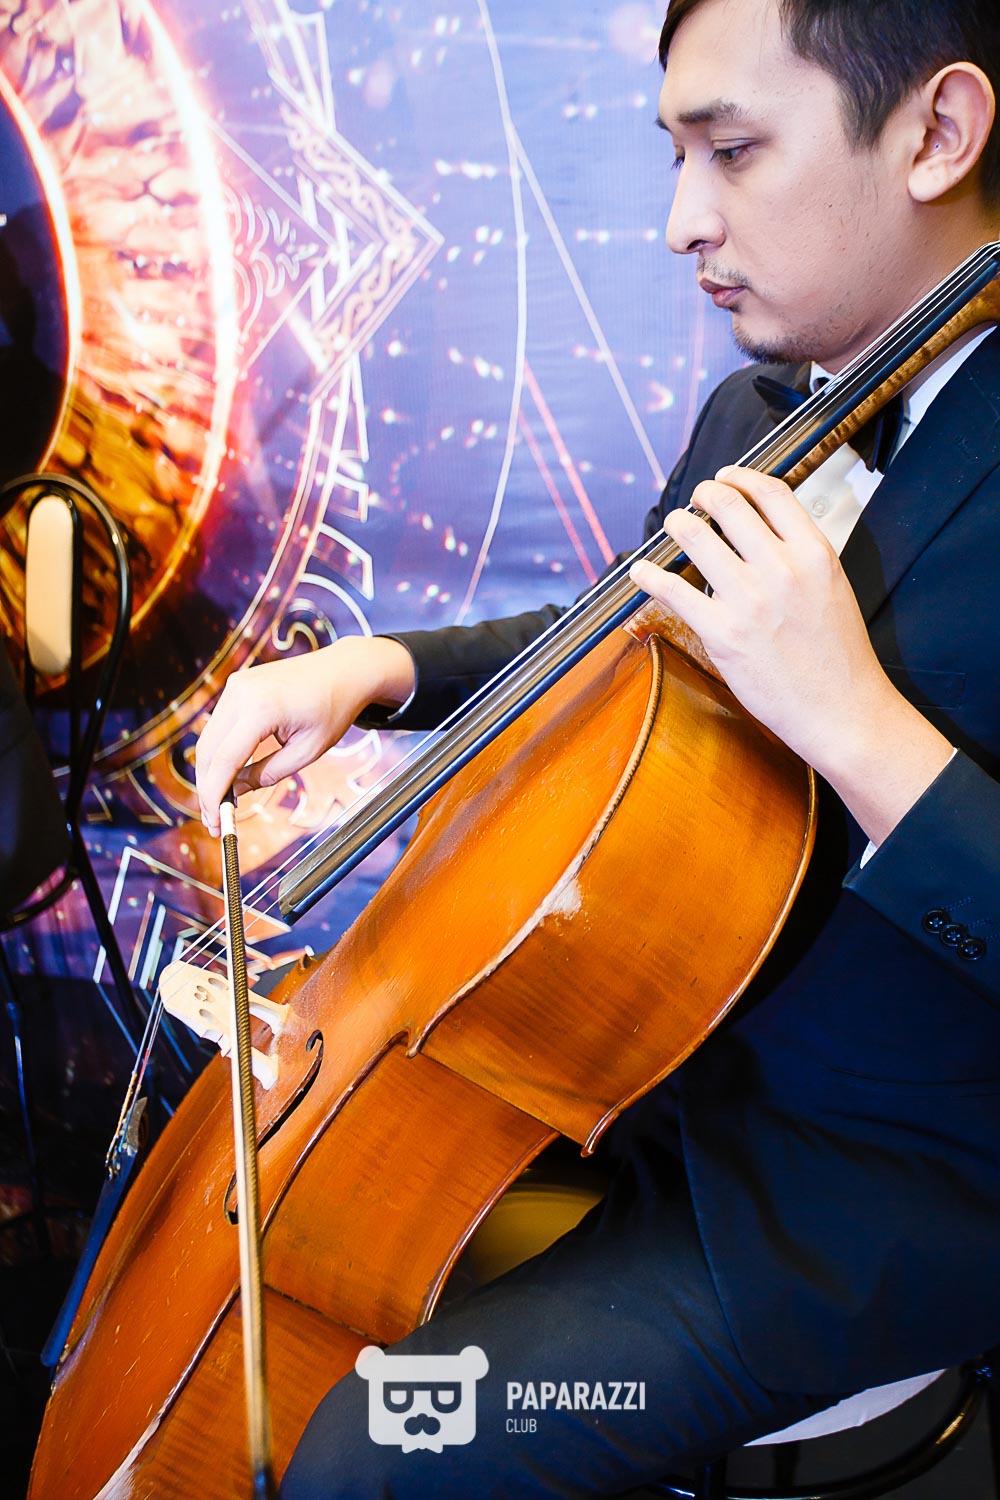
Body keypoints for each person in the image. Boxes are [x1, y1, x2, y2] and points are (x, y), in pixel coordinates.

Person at [195, 0, 1000, 1493]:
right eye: (675, 155)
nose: (683, 220)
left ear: (937, 133)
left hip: (863, 1199)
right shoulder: (760, 408)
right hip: (636, 1081)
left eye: (733, 151)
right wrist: (379, 669)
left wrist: (856, 725)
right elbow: (627, 641)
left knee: (380, 1448)